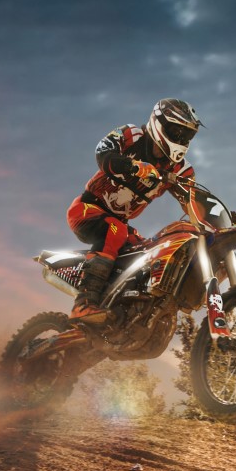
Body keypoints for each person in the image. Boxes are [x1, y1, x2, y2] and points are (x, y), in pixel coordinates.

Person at [66, 98, 203, 324]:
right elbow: (103, 153)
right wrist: (132, 166)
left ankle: (121, 312)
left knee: (146, 251)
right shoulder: (131, 135)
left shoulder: (181, 170)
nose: (181, 139)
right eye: (176, 131)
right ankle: (83, 303)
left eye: (186, 135)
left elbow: (193, 202)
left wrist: (223, 220)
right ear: (159, 123)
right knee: (115, 229)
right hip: (87, 208)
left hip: (120, 223)